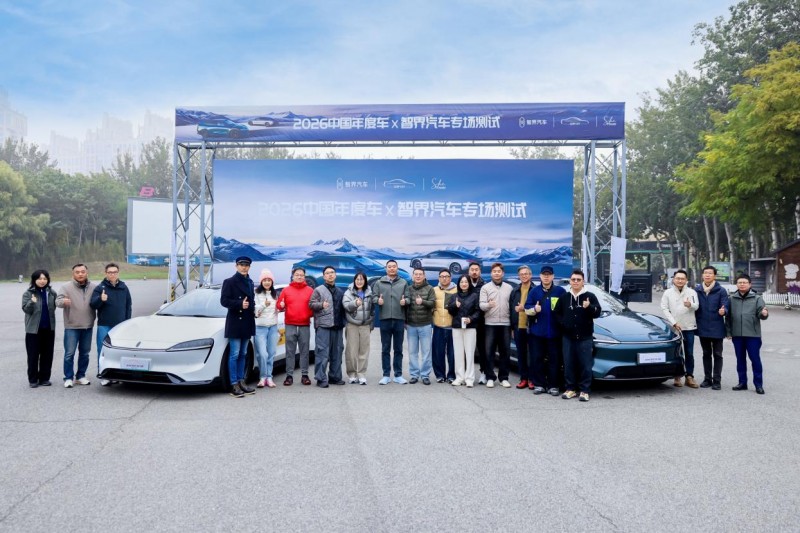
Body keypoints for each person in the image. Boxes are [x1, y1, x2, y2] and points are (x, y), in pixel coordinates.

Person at [554, 269, 601, 402]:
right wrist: (563, 324)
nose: (575, 282)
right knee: (568, 364)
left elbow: (597, 313)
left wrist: (589, 307)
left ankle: (584, 390)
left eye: (578, 280)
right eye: (573, 279)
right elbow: (556, 313)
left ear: (583, 281)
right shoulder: (564, 297)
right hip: (568, 337)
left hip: (585, 337)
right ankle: (570, 389)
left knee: (585, 365)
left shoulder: (590, 296)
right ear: (570, 281)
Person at [525, 265, 566, 396]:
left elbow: (565, 310)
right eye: (544, 275)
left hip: (555, 333)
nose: (546, 277)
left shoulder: (560, 291)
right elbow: (526, 309)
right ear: (540, 276)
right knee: (537, 359)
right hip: (537, 332)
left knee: (555, 360)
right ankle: (539, 384)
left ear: (553, 276)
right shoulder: (534, 291)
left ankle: (553, 385)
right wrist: (534, 309)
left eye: (549, 275)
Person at [220, 256, 257, 398]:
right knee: (234, 354)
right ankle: (234, 384)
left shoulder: (250, 282)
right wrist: (239, 304)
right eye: (241, 264)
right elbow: (224, 301)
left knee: (243, 354)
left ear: (249, 267)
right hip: (235, 321)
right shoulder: (229, 282)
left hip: (247, 321)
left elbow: (251, 301)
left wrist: (254, 310)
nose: (244, 267)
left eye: (246, 265)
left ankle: (242, 381)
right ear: (236, 266)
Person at [90, 262, 132, 386]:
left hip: (120, 326)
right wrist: (100, 299)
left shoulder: (124, 287)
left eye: (114, 272)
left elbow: (128, 306)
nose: (112, 274)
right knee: (103, 350)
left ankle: (118, 375)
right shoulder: (100, 288)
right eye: (110, 272)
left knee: (120, 351)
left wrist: (127, 322)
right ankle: (104, 375)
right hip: (105, 325)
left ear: (118, 273)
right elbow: (93, 305)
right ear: (106, 273)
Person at [726, 274, 768, 394]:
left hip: (753, 335)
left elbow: (761, 313)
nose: (742, 284)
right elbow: (728, 318)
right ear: (737, 284)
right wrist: (728, 332)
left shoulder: (757, 298)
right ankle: (742, 383)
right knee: (740, 360)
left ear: (750, 284)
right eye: (740, 282)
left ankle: (758, 385)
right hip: (737, 335)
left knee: (755, 360)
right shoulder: (731, 299)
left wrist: (764, 314)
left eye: (744, 282)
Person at [56, 263, 97, 388]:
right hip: (72, 326)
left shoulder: (94, 287)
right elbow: (57, 301)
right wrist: (63, 302)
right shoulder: (66, 287)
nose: (80, 274)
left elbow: (98, 301)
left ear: (87, 273)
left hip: (87, 326)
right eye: (77, 272)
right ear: (73, 274)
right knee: (69, 353)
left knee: (85, 353)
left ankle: (80, 376)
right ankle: (68, 377)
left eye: (83, 272)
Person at [660, 269, 699, 388]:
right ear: (673, 280)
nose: (680, 281)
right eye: (678, 278)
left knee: (689, 353)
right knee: (677, 352)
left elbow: (696, 306)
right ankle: (677, 376)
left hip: (689, 326)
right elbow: (664, 308)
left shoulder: (691, 292)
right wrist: (673, 322)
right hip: (674, 327)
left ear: (686, 280)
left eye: (682, 279)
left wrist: (690, 305)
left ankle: (689, 376)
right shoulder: (668, 293)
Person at [276, 267, 314, 386]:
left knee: (304, 351)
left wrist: (309, 314)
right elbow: (279, 305)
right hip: (290, 324)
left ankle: (305, 375)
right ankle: (289, 376)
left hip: (304, 324)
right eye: (297, 275)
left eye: (301, 275)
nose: (299, 277)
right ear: (293, 276)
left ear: (304, 276)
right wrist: (281, 305)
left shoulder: (310, 290)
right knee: (290, 351)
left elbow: (313, 306)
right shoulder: (286, 290)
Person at [372, 259, 409, 385]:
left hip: (399, 319)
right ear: (386, 268)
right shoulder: (379, 282)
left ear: (397, 268)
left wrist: (405, 301)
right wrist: (378, 301)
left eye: (394, 266)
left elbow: (408, 298)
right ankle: (386, 375)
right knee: (385, 349)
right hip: (385, 319)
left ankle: (398, 375)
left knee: (398, 349)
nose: (392, 268)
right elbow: (373, 297)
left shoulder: (403, 282)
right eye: (389, 266)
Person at [309, 266, 346, 387]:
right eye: (327, 273)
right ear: (324, 276)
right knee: (322, 353)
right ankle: (320, 378)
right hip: (323, 325)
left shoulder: (340, 291)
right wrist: (321, 305)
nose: (330, 275)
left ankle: (335, 377)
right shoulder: (318, 290)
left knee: (337, 352)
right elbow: (311, 304)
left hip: (337, 326)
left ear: (335, 275)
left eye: (332, 272)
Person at [695, 265, 729, 390]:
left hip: (717, 327)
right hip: (702, 326)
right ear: (702, 275)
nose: (707, 275)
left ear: (714, 276)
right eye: (705, 273)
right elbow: (694, 306)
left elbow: (725, 305)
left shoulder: (721, 290)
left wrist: (724, 311)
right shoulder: (697, 290)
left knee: (718, 354)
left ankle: (717, 381)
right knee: (706, 353)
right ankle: (707, 379)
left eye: (710, 273)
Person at [479, 262, 513, 388]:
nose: (497, 273)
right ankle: (490, 377)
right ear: (491, 273)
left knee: (505, 352)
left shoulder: (509, 288)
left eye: (499, 271)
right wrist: (489, 305)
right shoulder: (485, 288)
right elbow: (481, 305)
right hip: (490, 324)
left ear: (502, 273)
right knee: (489, 352)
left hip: (505, 324)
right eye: (494, 271)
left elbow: (512, 306)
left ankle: (504, 378)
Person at [22, 269, 57, 388]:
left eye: (45, 279)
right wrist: (32, 302)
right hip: (33, 330)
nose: (42, 281)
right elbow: (26, 310)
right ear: (34, 280)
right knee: (33, 355)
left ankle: (44, 378)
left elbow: (53, 308)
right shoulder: (28, 293)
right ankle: (33, 379)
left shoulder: (51, 293)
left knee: (47, 355)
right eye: (39, 278)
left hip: (49, 329)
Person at [446, 274, 481, 387]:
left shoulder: (475, 296)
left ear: (469, 283)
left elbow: (478, 311)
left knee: (470, 353)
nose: (464, 284)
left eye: (466, 282)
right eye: (462, 282)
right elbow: (450, 311)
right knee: (458, 353)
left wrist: (470, 319)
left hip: (470, 327)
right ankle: (459, 377)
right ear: (459, 284)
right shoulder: (454, 296)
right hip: (457, 327)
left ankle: (469, 378)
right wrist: (454, 306)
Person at [342, 272, 374, 385]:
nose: (359, 281)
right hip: (352, 325)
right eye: (357, 279)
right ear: (354, 280)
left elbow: (372, 309)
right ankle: (352, 374)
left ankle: (361, 374)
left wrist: (371, 323)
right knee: (351, 351)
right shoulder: (348, 292)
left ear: (365, 281)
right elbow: (346, 306)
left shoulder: (369, 292)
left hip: (365, 325)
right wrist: (355, 303)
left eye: (361, 279)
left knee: (364, 351)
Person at [406, 267, 436, 384]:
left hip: (425, 324)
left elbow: (433, 303)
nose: (418, 276)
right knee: (412, 352)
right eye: (416, 274)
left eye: (420, 274)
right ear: (413, 276)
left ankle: (425, 375)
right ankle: (414, 375)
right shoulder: (408, 289)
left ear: (424, 276)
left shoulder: (430, 288)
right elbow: (406, 305)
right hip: (411, 325)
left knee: (426, 352)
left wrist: (422, 302)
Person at [510, 265, 534, 389]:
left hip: (532, 327)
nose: (524, 276)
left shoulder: (535, 290)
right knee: (521, 354)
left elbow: (537, 308)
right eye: (521, 274)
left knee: (532, 354)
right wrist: (512, 327)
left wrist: (523, 308)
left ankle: (532, 379)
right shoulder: (515, 291)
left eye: (526, 273)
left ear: (530, 275)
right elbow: (511, 310)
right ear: (519, 276)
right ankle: (523, 378)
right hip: (518, 327)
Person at [254, 269, 279, 388]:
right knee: (262, 354)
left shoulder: (275, 294)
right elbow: (255, 311)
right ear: (261, 282)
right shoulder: (256, 293)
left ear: (272, 282)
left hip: (273, 327)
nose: (267, 282)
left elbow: (278, 309)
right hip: (260, 327)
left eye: (269, 280)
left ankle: (269, 377)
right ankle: (262, 376)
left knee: (271, 353)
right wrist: (264, 305)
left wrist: (281, 307)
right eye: (265, 280)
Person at [431, 269, 457, 384]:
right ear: (439, 278)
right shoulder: (434, 290)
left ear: (450, 278)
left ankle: (452, 375)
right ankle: (440, 375)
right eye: (442, 276)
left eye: (447, 276)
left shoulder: (457, 290)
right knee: (438, 353)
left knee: (452, 353)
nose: (444, 278)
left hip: (453, 327)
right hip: (438, 326)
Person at [468, 262, 488, 384]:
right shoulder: (464, 284)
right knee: (467, 349)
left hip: (481, 322)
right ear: (469, 271)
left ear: (480, 271)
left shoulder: (485, 286)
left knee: (482, 349)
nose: (474, 272)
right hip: (467, 321)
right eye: (472, 269)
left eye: (476, 269)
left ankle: (483, 373)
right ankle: (466, 374)